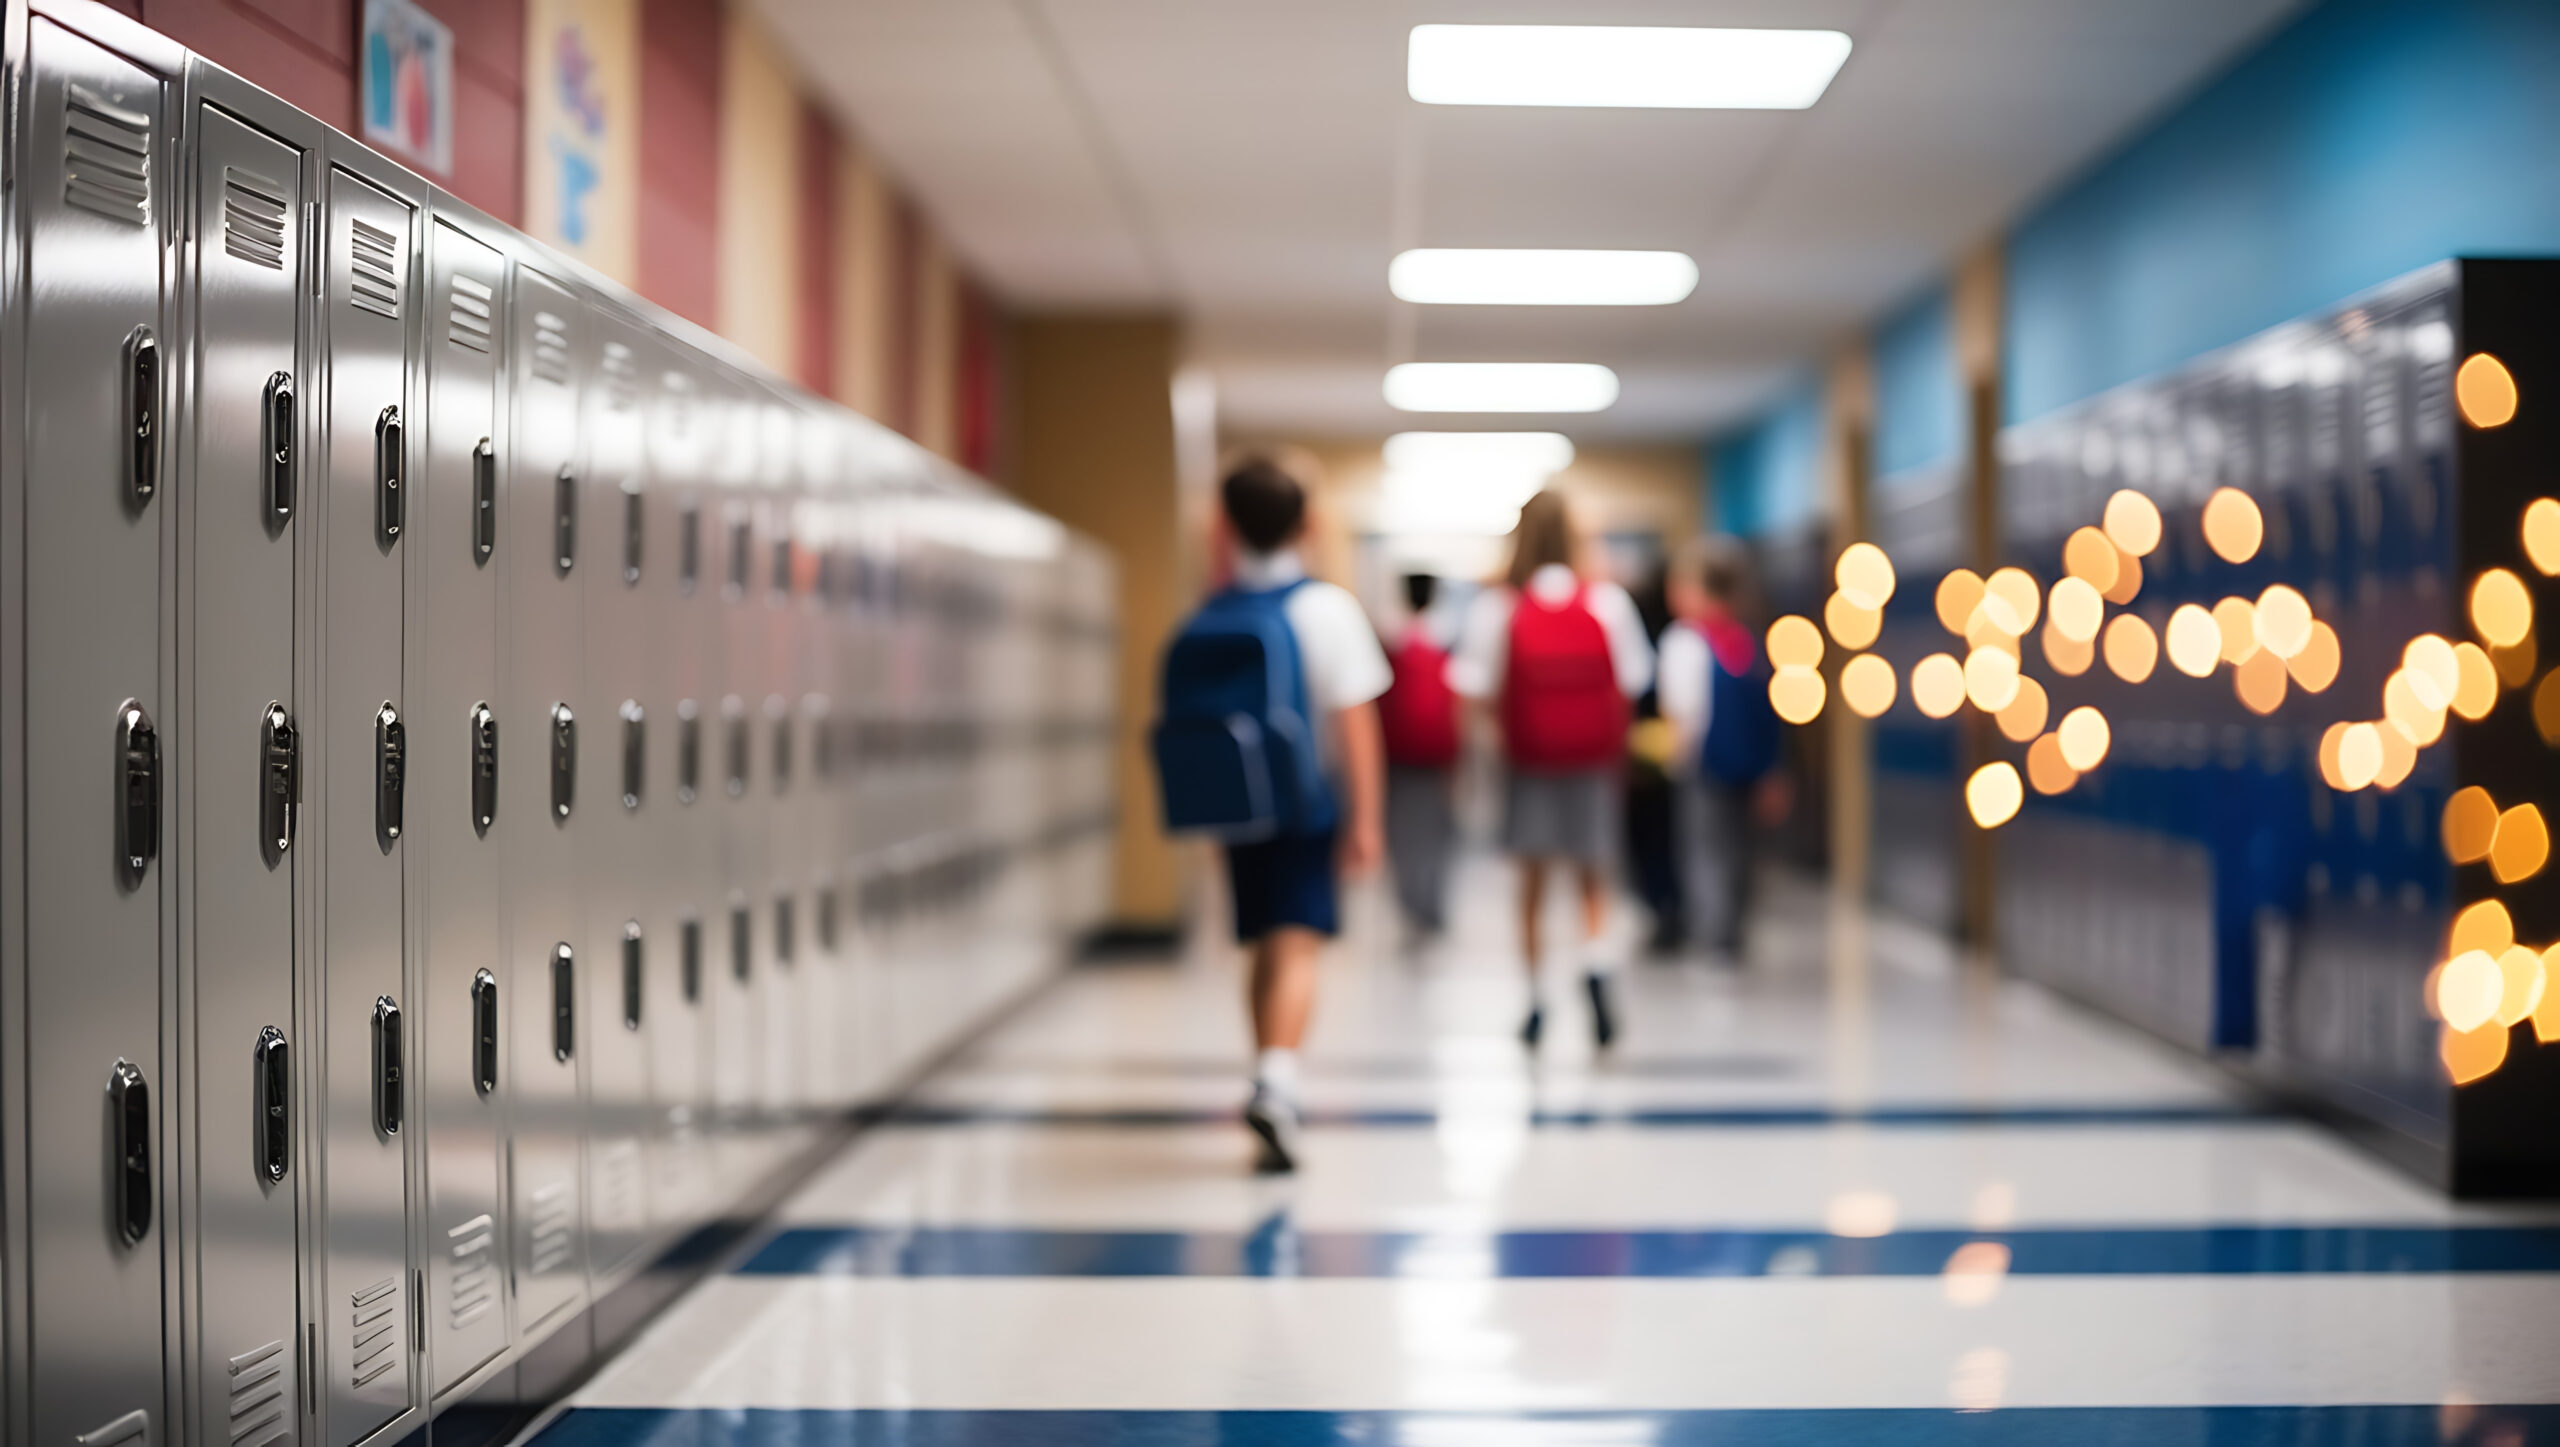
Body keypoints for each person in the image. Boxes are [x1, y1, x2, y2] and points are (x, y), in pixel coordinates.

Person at [1190, 459, 1388, 1171]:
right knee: (1297, 944)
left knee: (1261, 944)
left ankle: (1267, 1067)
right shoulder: (1326, 609)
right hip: (1308, 804)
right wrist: (1366, 818)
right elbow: (1356, 727)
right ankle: (1278, 1077)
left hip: (1238, 809)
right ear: (1307, 524)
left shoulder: (1212, 610)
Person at [1448, 489, 1654, 1048]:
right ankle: (1594, 966)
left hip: (1528, 763)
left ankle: (1537, 997)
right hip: (1592, 763)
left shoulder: (1499, 606)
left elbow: (1474, 690)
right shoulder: (1606, 601)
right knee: (1593, 876)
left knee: (1532, 884)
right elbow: (1632, 683)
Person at [1658, 536, 1788, 961]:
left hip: (1702, 764)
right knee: (1738, 850)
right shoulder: (1747, 640)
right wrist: (1771, 770)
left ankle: (1712, 935)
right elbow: (1771, 711)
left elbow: (1679, 712)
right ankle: (1731, 931)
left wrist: (1672, 758)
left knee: (1704, 850)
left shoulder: (1683, 641)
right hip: (1747, 766)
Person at [1379, 573, 1461, 944]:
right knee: (1437, 832)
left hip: (1398, 756)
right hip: (1437, 754)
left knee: (1402, 833)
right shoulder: (1446, 641)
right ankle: (1432, 906)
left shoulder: (1390, 640)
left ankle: (1409, 906)